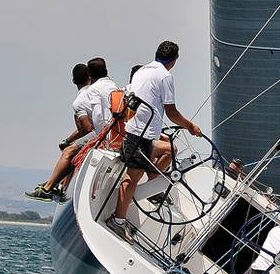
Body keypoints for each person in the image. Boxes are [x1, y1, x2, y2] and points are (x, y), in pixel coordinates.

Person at [111, 41, 201, 238]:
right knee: (131, 178)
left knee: (170, 149)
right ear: (174, 61)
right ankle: (118, 221)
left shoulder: (142, 70)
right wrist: (191, 126)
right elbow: (171, 112)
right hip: (140, 134)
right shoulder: (165, 76)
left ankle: (153, 186)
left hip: (140, 133)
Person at [26, 63, 95, 202]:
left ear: (74, 81)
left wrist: (68, 142)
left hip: (98, 136)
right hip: (102, 132)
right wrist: (69, 140)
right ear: (90, 78)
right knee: (71, 148)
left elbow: (86, 129)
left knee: (69, 152)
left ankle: (50, 188)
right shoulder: (95, 92)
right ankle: (57, 185)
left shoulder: (80, 101)